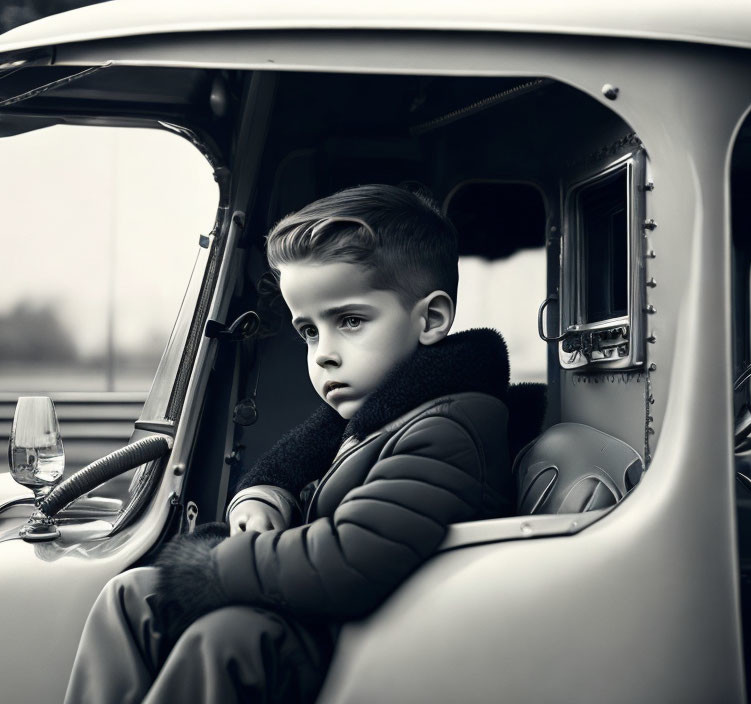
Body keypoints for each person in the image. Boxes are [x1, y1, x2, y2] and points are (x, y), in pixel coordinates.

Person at [63, 184, 520, 704]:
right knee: (131, 596)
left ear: (431, 320)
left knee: (228, 640)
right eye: (308, 330)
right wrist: (265, 498)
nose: (324, 354)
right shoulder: (376, 417)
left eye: (349, 321)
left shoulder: (449, 428)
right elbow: (299, 477)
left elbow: (351, 559)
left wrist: (213, 566)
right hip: (327, 620)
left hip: (369, 637)